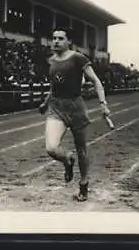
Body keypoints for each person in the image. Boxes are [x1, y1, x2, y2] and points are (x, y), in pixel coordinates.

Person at [38, 28, 111, 202]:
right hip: (56, 108)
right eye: (54, 38)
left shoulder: (78, 58)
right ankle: (67, 160)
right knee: (51, 148)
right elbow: (53, 86)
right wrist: (45, 102)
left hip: (76, 108)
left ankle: (84, 184)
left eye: (60, 38)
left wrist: (103, 104)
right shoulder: (51, 60)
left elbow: (95, 81)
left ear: (68, 41)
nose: (56, 41)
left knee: (81, 149)